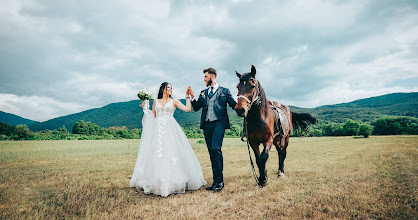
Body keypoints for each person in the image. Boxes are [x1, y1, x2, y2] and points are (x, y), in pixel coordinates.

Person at [130, 82, 206, 197]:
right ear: (163, 89)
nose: (171, 89)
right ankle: (157, 179)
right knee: (157, 153)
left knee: (171, 152)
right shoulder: (156, 101)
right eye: (168, 87)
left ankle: (173, 180)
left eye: (171, 87)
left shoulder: (174, 101)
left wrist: (187, 96)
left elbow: (187, 109)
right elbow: (153, 116)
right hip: (157, 129)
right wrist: (146, 108)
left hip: (170, 128)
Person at [188, 68, 237, 192]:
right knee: (211, 152)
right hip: (206, 125)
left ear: (212, 76)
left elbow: (233, 105)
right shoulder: (203, 93)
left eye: (205, 77)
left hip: (219, 123)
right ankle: (215, 181)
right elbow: (196, 107)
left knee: (216, 149)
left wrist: (244, 106)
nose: (204, 79)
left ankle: (220, 181)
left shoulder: (224, 91)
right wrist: (192, 97)